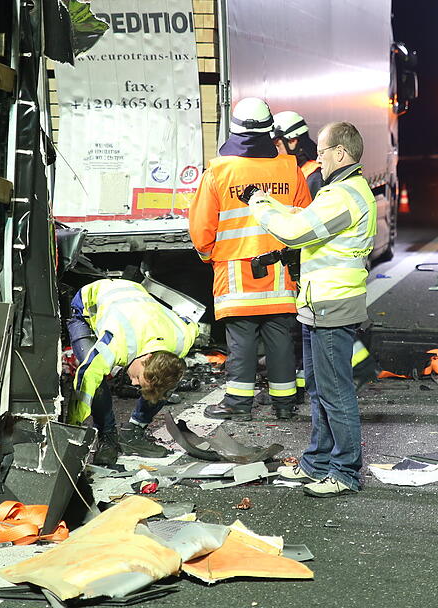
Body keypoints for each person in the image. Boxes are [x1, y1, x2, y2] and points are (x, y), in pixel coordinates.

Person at [240, 121, 375, 498]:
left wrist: (258, 206)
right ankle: (317, 463)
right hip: (320, 302)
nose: (317, 158)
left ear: (340, 153)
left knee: (335, 392)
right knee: (319, 389)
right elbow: (303, 220)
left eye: (322, 152)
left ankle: (345, 472)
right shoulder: (339, 191)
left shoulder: (344, 195)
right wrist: (267, 200)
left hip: (333, 304)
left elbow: (296, 232)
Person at [189, 98, 312, 421]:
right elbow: (305, 218)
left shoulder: (218, 171)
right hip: (281, 272)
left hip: (235, 272)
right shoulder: (290, 168)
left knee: (241, 338)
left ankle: (238, 403)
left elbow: (202, 228)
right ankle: (284, 403)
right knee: (280, 335)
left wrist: (208, 256)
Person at [67, 279, 198, 465]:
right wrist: (71, 427)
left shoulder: (182, 339)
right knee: (95, 378)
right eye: (138, 378)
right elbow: (87, 376)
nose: (134, 384)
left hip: (135, 296)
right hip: (87, 306)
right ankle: (107, 438)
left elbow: (191, 323)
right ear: (145, 359)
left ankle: (133, 433)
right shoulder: (117, 343)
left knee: (170, 375)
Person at [272, 110, 324, 198]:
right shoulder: (298, 170)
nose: (277, 152)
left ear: (293, 141)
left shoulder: (315, 176)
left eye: (278, 146)